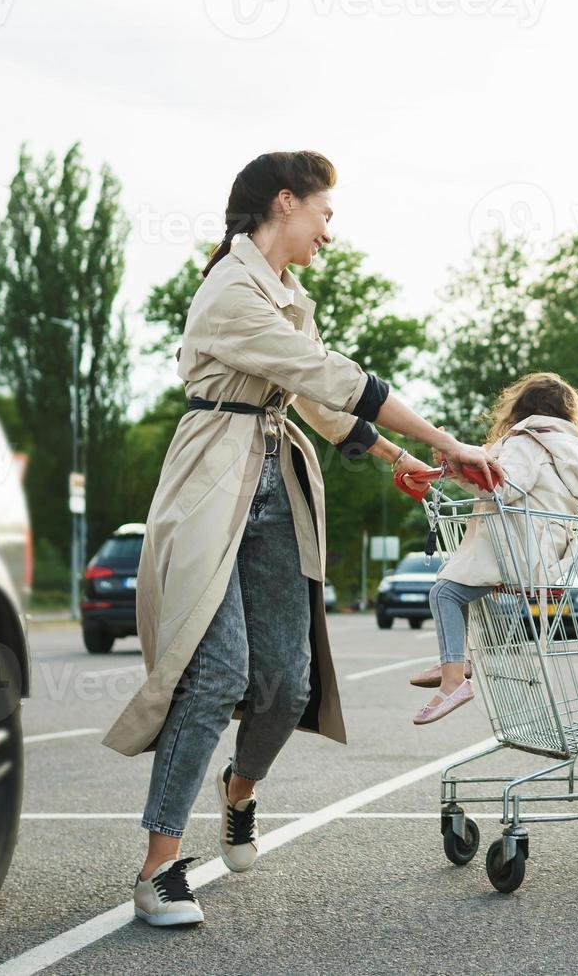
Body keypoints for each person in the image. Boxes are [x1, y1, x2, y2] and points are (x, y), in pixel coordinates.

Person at [103, 150, 503, 927]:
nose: (329, 230)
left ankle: (239, 791)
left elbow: (316, 402)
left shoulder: (289, 292)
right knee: (217, 675)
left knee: (288, 684)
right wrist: (452, 444)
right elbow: (332, 376)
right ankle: (159, 870)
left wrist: (397, 459)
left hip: (278, 488)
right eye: (325, 213)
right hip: (213, 483)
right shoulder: (229, 290)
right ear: (285, 203)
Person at [407, 373, 578, 724]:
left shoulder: (527, 441)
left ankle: (454, 679)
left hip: (516, 548)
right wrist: (456, 466)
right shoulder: (569, 448)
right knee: (452, 590)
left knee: (445, 593)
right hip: (541, 551)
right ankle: (456, 659)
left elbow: (503, 487)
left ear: (521, 407)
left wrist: (459, 468)